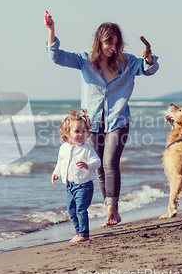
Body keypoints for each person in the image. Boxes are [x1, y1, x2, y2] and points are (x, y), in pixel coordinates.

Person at [45, 15, 159, 228]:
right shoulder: (85, 61)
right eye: (109, 43)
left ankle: (111, 209)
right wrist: (51, 29)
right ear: (100, 41)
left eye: (116, 44)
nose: (113, 48)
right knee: (97, 167)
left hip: (119, 121)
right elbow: (56, 56)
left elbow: (148, 69)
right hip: (92, 123)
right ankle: (111, 208)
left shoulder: (128, 62)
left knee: (109, 163)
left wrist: (150, 59)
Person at [51, 109, 101, 243]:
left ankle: (84, 234)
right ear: (67, 133)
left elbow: (97, 161)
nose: (81, 134)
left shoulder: (87, 148)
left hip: (84, 186)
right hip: (69, 186)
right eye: (77, 131)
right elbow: (60, 162)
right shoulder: (64, 148)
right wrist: (56, 173)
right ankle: (79, 232)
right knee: (72, 211)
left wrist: (87, 165)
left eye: (83, 131)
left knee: (81, 210)